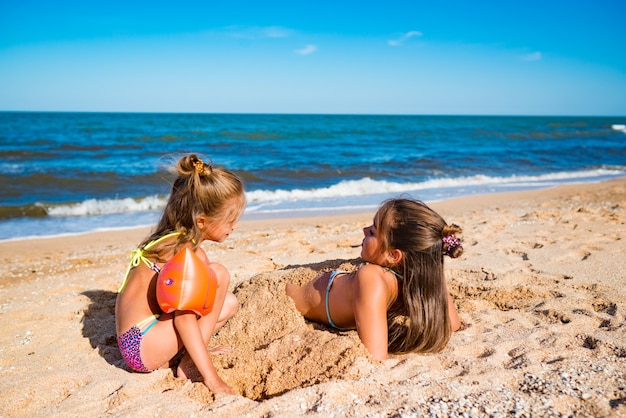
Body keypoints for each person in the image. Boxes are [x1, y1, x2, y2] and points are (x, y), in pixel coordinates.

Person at [115, 153, 245, 395]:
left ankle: (186, 356)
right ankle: (188, 364)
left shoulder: (171, 239)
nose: (234, 226)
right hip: (141, 345)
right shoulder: (185, 255)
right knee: (218, 274)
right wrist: (212, 378)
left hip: (138, 339)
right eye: (230, 219)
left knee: (227, 301)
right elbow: (183, 318)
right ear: (202, 220)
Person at [286, 198, 462, 361]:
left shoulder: (371, 278)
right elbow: (453, 324)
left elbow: (375, 356)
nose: (364, 230)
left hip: (286, 295)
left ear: (394, 255)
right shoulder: (421, 275)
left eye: (372, 231)